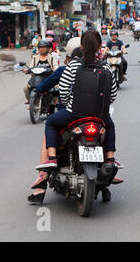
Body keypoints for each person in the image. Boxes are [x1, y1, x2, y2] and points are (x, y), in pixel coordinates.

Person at [28, 31, 121, 203]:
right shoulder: (106, 67)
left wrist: (72, 103)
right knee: (110, 125)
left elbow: (63, 93)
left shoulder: (71, 66)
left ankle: (52, 158)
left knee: (51, 122)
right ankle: (110, 159)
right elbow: (112, 95)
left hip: (74, 115)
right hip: (99, 117)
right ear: (100, 46)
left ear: (82, 46)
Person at [23, 40, 59, 104]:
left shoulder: (52, 57)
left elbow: (56, 66)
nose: (41, 49)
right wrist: (27, 70)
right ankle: (31, 102)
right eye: (40, 47)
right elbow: (31, 67)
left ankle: (56, 104)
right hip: (36, 78)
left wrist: (55, 69)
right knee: (26, 88)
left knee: (56, 88)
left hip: (49, 78)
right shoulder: (35, 58)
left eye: (43, 47)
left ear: (47, 48)